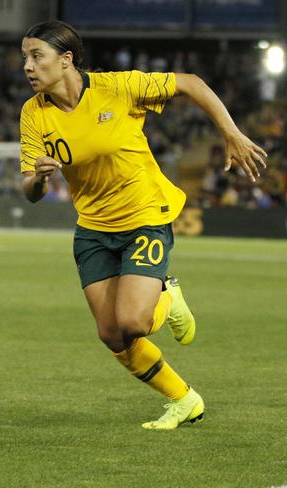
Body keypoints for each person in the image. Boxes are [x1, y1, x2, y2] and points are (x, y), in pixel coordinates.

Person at [20, 21, 267, 429]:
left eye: (36, 56)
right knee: (112, 335)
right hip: (93, 229)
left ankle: (168, 295)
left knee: (133, 321)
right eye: (25, 58)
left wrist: (230, 132)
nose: (27, 66)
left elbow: (190, 83)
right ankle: (184, 400)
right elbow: (30, 190)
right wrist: (40, 177)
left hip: (143, 218)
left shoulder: (118, 87)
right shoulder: (33, 114)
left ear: (66, 60)